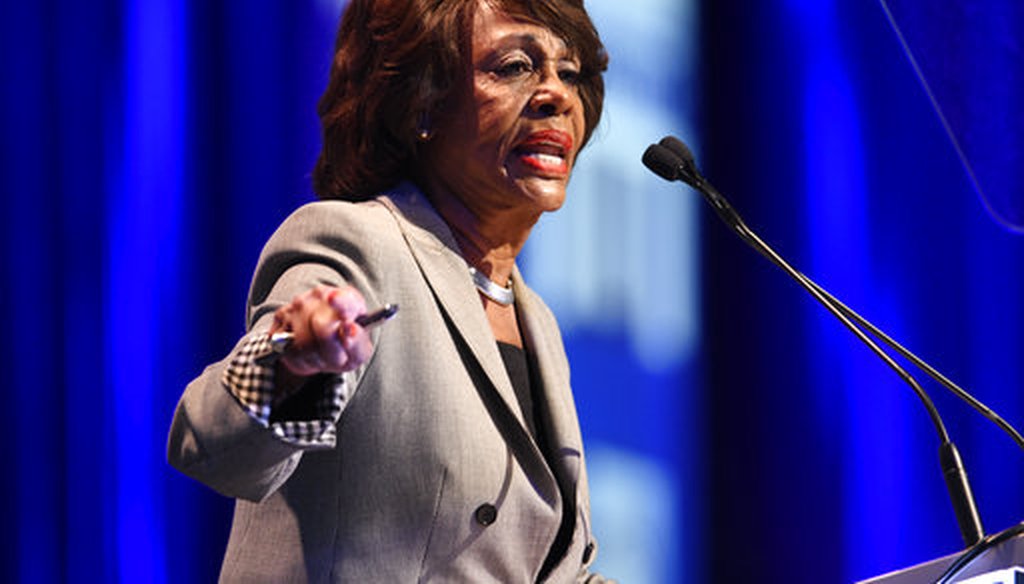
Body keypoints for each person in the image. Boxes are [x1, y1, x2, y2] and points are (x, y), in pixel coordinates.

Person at [167, 0, 613, 581]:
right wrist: (294, 362)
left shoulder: (538, 322)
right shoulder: (359, 242)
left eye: (570, 72)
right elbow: (211, 441)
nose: (557, 94)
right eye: (513, 66)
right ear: (422, 103)